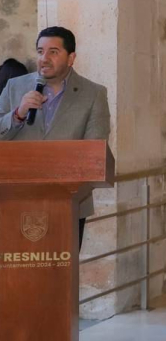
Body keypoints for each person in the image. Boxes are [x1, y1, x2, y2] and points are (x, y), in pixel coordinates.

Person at [0, 27, 110, 251]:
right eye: (40, 51)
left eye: (53, 52)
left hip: (69, 204)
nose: (44, 58)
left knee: (60, 272)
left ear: (71, 58)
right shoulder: (15, 87)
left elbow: (95, 150)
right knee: (18, 272)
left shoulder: (94, 94)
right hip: (14, 201)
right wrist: (18, 113)